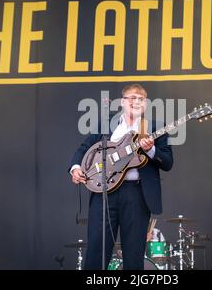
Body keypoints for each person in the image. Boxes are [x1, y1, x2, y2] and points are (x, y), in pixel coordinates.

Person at [68, 84, 173, 270]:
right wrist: (76, 168)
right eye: (132, 97)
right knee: (96, 252)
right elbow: (85, 149)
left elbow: (167, 162)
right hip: (104, 194)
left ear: (146, 104)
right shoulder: (107, 124)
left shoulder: (154, 127)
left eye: (141, 99)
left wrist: (151, 150)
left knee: (133, 255)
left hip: (136, 194)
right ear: (123, 102)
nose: (136, 101)